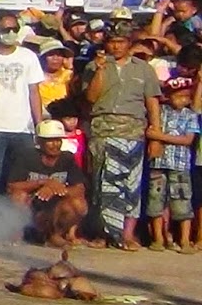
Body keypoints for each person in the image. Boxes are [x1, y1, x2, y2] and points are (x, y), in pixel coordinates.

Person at [82, 20, 160, 249]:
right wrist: (100, 70)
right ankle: (103, 233)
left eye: (121, 42)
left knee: (130, 184)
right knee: (102, 183)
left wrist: (155, 134)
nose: (116, 46)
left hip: (133, 131)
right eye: (112, 42)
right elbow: (91, 98)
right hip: (103, 130)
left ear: (129, 43)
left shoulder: (143, 68)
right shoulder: (93, 67)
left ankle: (127, 234)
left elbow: (152, 102)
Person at [0, 12, 44, 193]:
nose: (11, 33)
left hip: (24, 129)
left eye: (15, 29)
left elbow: (34, 92)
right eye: (6, 29)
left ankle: (18, 218)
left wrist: (39, 125)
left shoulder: (28, 56)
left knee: (22, 176)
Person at [4, 119, 88, 248]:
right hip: (32, 208)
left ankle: (54, 235)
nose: (55, 144)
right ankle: (17, 233)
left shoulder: (67, 158)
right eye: (50, 140)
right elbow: (12, 186)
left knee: (79, 204)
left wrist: (56, 189)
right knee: (18, 196)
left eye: (58, 140)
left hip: (53, 211)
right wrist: (43, 183)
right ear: (39, 142)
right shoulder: (27, 156)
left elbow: (80, 189)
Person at [145, 76, 197, 252]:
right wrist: (156, 136)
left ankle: (184, 240)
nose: (181, 100)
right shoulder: (159, 112)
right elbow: (149, 131)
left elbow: (187, 140)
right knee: (155, 199)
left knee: (182, 200)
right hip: (159, 163)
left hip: (180, 164)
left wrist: (160, 137)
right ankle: (158, 238)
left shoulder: (190, 116)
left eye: (185, 96)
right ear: (168, 96)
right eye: (177, 96)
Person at [36, 40, 74, 112]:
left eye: (59, 55)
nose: (55, 58)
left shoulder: (69, 76)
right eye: (51, 54)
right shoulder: (36, 77)